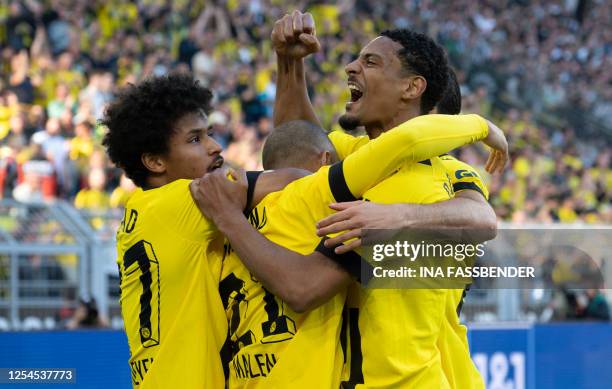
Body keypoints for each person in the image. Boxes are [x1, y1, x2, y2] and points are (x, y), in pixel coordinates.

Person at [191, 111, 504, 388]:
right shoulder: (313, 195)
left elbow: (298, 126)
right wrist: (483, 126)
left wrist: (290, 64)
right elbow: (406, 141)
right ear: (326, 162)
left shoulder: (224, 229)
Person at [269, 11, 499, 388]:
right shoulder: (352, 155)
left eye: (370, 62)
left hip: (431, 376)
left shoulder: (447, 170)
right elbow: (295, 143)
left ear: (412, 88)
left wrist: (394, 217)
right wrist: (290, 61)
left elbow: (481, 219)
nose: (350, 67)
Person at [102, 73, 229, 388]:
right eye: (195, 139)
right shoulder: (182, 202)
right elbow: (297, 178)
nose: (215, 146)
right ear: (155, 162)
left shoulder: (145, 210)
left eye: (209, 133)